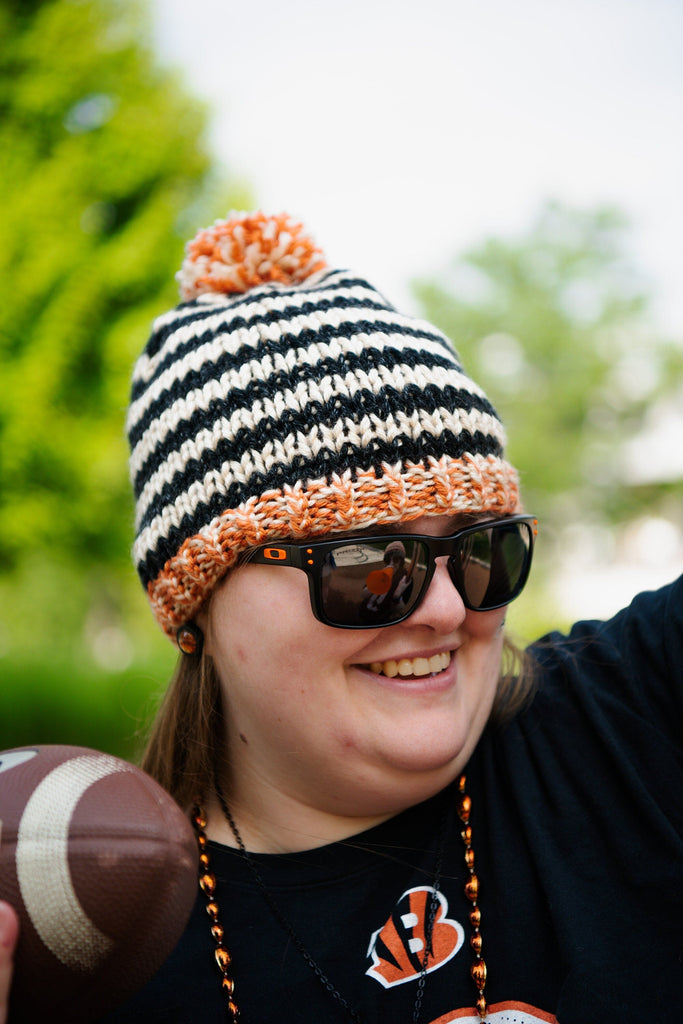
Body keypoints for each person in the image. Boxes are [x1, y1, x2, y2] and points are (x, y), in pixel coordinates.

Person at [1, 212, 681, 1023]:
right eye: (364, 566)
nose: (443, 607)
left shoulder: (627, 725)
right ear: (199, 606)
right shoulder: (81, 933)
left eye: (481, 551)